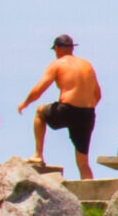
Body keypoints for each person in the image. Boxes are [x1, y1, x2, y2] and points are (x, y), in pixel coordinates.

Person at [17, 34, 102, 179]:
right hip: (87, 113)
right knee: (83, 162)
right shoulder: (87, 65)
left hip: (67, 110)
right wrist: (84, 109)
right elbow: (98, 95)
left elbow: (39, 89)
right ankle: (90, 193)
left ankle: (38, 154)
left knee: (39, 112)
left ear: (56, 48)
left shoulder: (57, 64)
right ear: (71, 48)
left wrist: (25, 103)